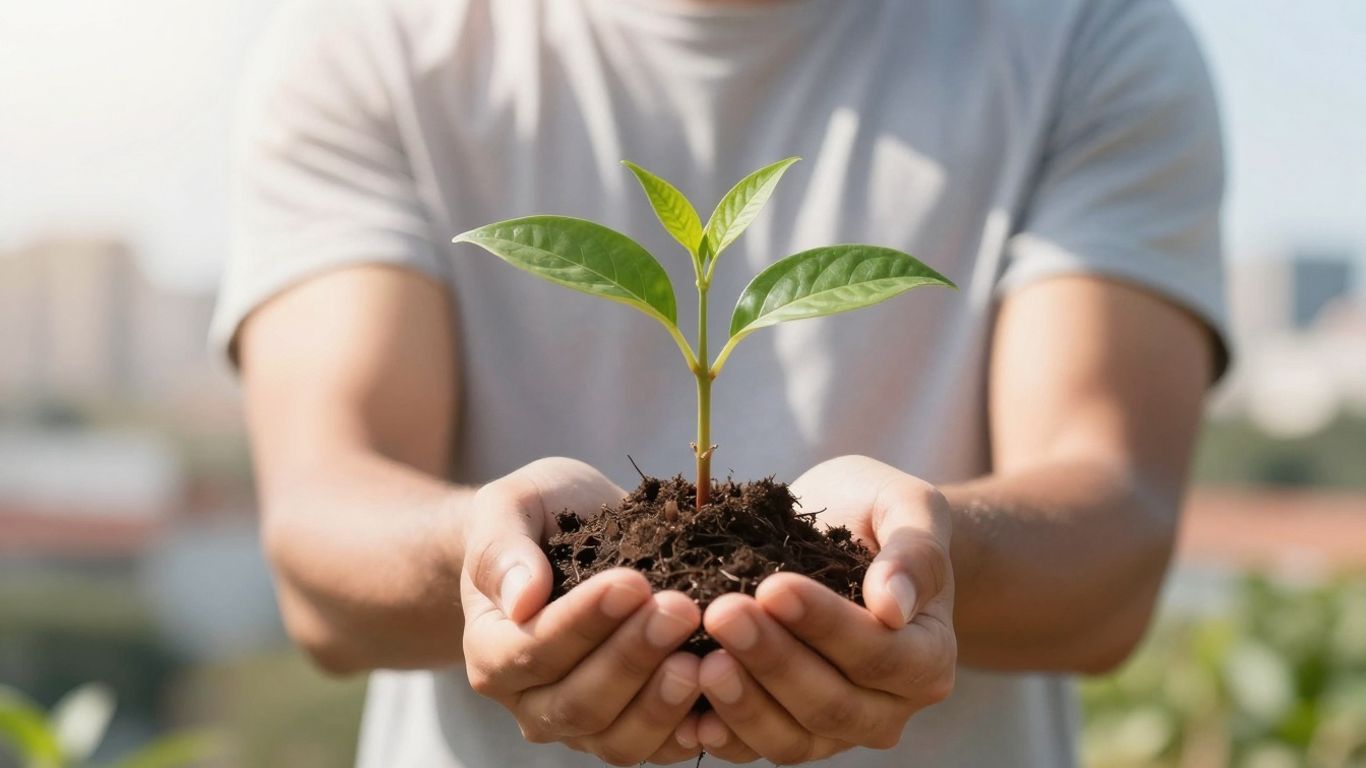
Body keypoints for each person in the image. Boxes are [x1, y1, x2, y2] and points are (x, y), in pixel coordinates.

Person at [212, 0, 1227, 765]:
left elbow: (1115, 536)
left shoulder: (1084, 33)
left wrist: (925, 558)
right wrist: (492, 558)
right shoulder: (371, 36)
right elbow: (319, 532)